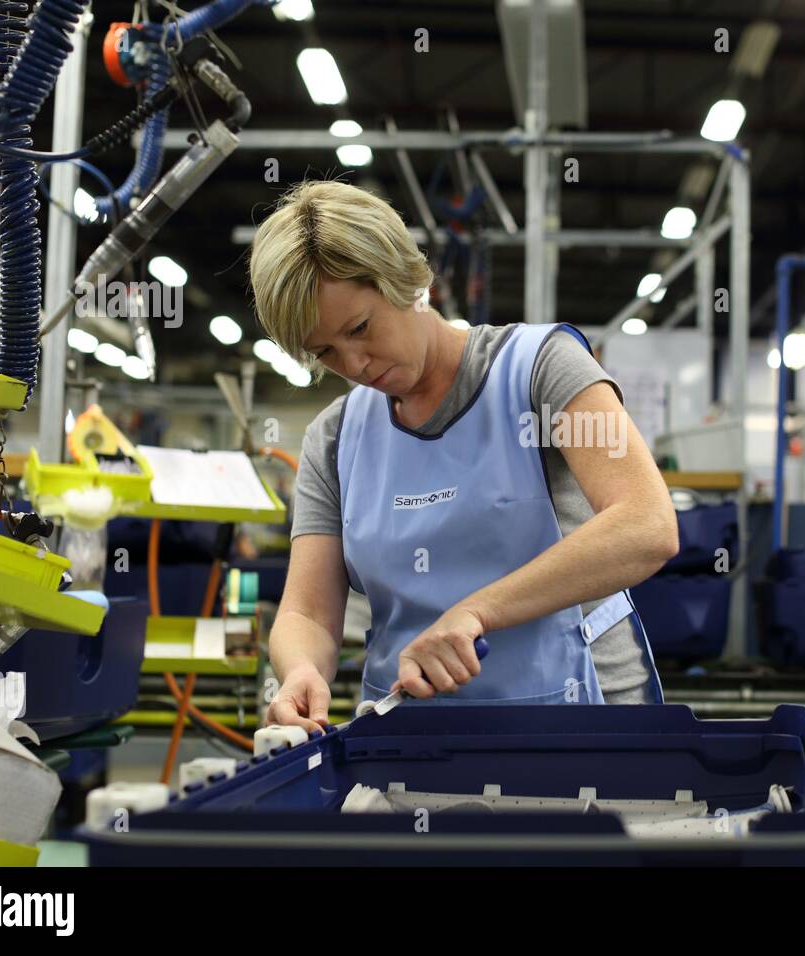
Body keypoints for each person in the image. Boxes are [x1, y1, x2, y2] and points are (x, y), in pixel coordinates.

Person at [249, 180, 677, 730]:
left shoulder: (543, 370)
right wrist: (301, 669)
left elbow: (647, 524)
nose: (353, 363)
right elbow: (308, 610)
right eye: (325, 351)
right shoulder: (335, 439)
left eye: (360, 328)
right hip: (412, 741)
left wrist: (478, 611)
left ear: (405, 280)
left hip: (581, 726)